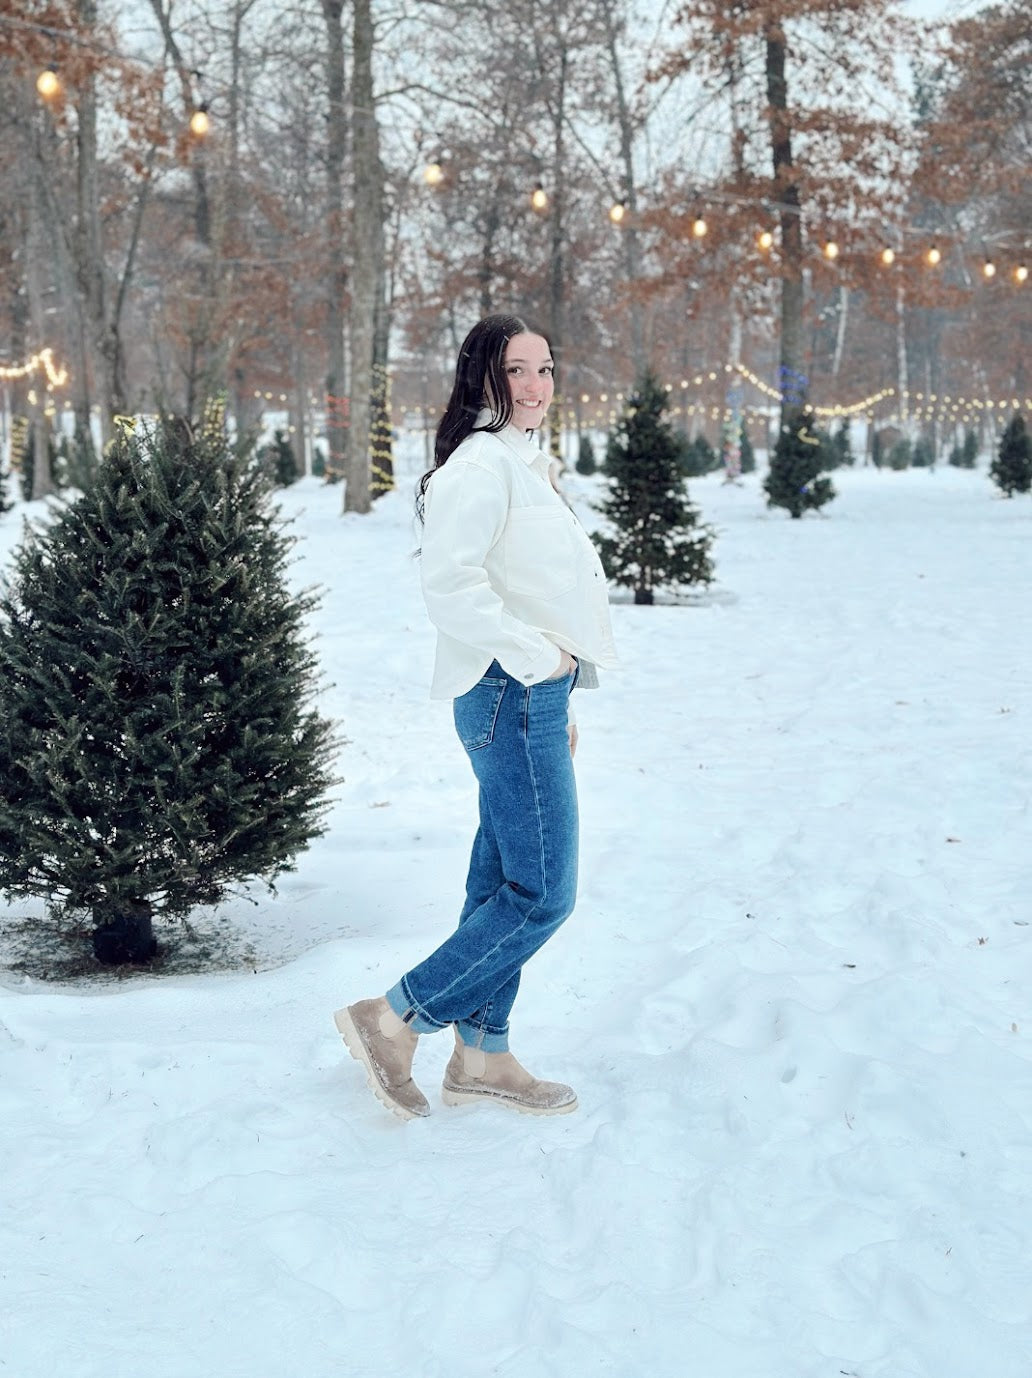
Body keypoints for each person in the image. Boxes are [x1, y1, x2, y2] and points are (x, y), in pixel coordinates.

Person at [334, 314, 618, 1119]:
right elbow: (452, 588)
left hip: (531, 698)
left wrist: (561, 689)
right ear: (482, 377)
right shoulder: (481, 465)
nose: (535, 385)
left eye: (545, 368)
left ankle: (483, 1053)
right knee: (544, 894)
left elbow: (535, 587)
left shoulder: (521, 461)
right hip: (508, 691)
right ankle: (392, 1020)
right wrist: (538, 665)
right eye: (516, 369)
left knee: (502, 884)